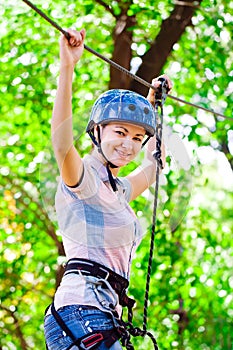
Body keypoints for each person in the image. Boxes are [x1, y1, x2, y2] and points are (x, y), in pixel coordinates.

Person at [44, 28, 172, 350]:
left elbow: (155, 166)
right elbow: (61, 146)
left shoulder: (117, 192)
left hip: (102, 313)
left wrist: (151, 105)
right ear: (97, 131)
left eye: (137, 138)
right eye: (119, 132)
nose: (129, 145)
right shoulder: (83, 179)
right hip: (81, 312)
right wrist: (68, 66)